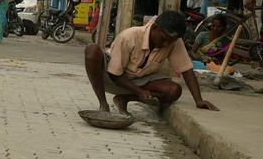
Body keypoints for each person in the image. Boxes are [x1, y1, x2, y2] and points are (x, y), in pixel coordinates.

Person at [83, 10, 218, 114]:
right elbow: (115, 74)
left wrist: (198, 100)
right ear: (154, 28)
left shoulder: (174, 41)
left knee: (174, 91)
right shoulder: (129, 36)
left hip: (140, 80)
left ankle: (124, 98)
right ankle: (103, 105)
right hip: (111, 77)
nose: (166, 44)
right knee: (92, 50)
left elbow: (186, 70)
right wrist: (138, 91)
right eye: (164, 39)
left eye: (171, 41)